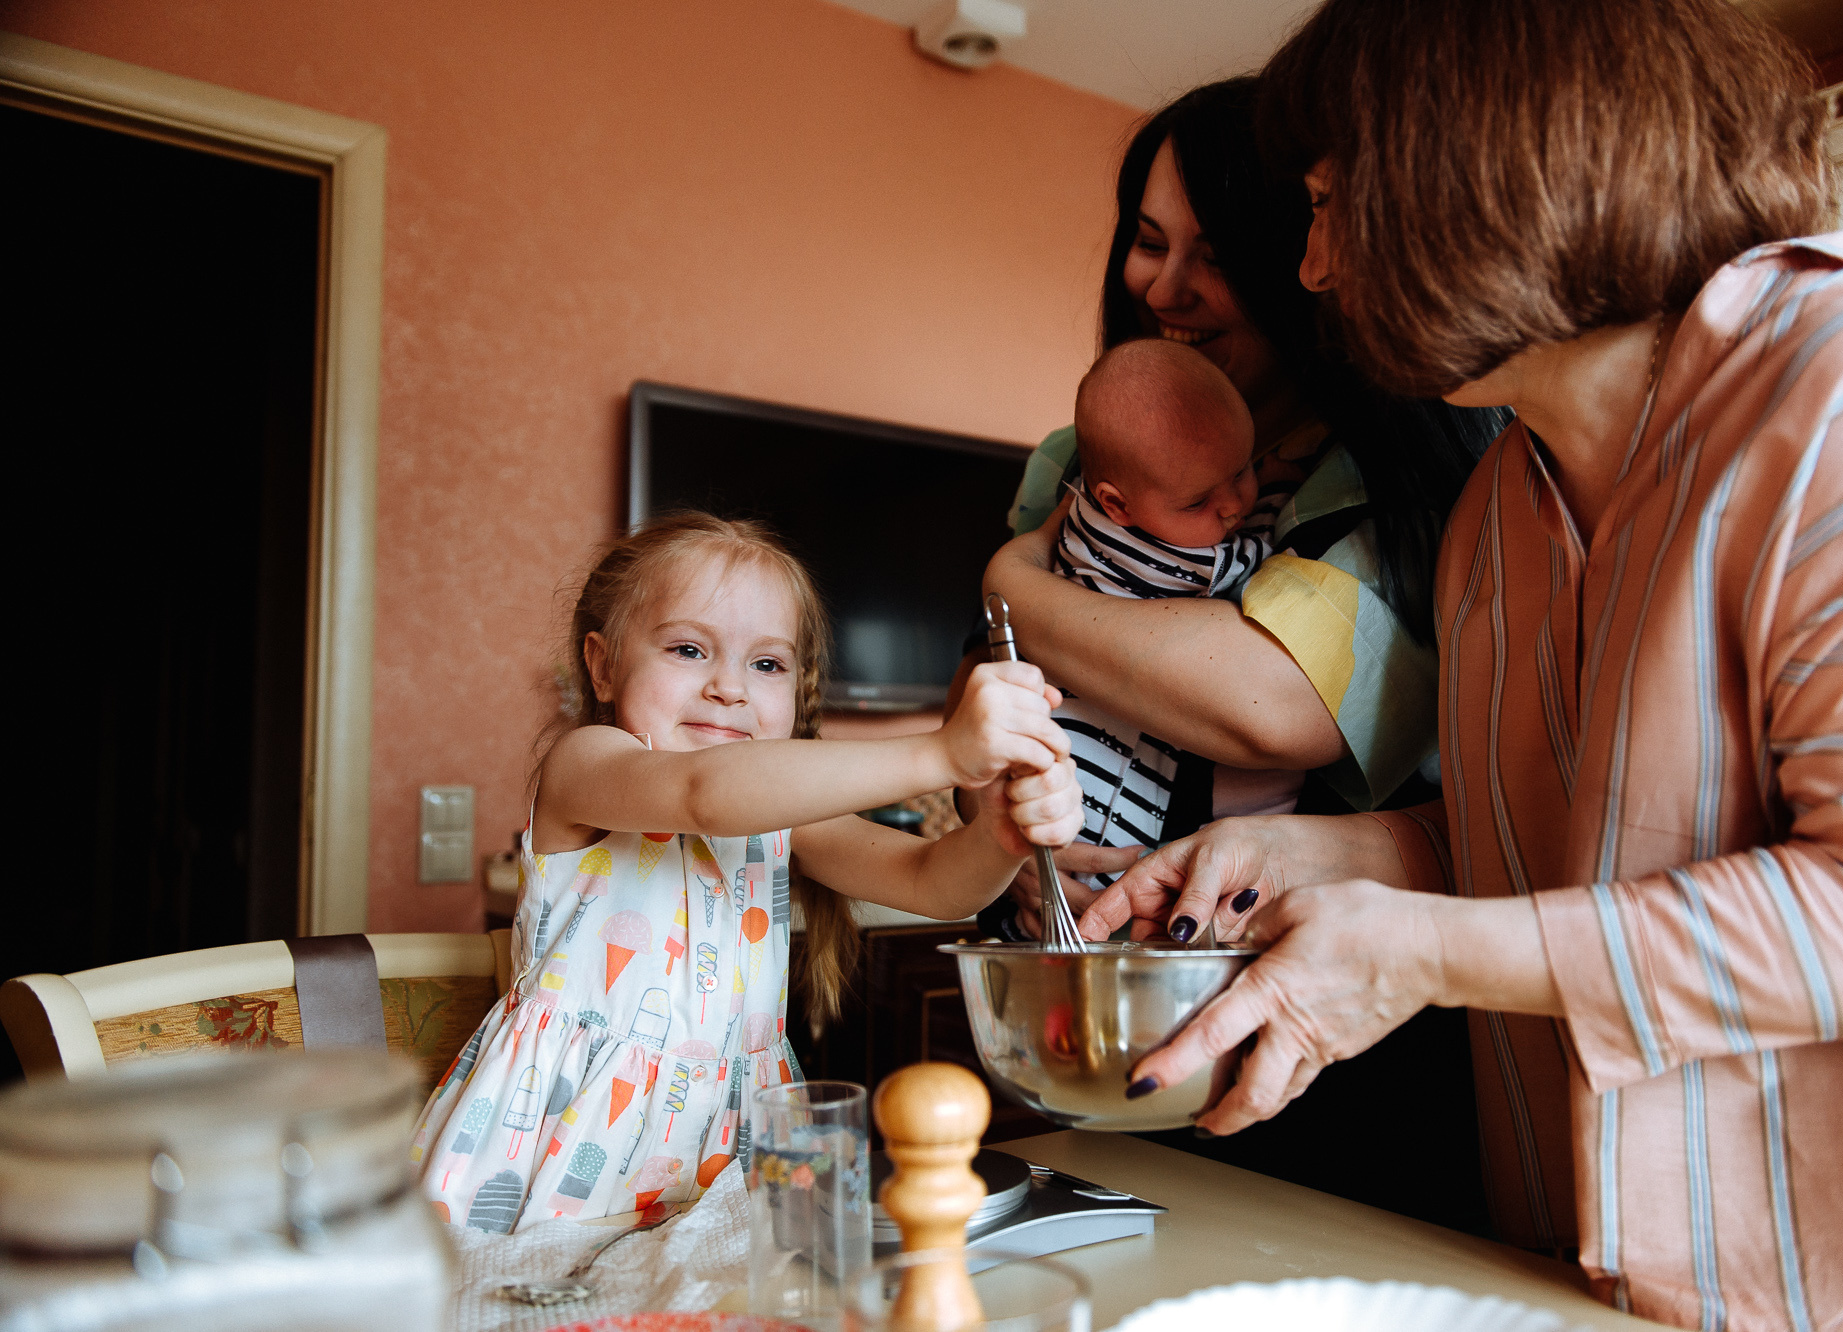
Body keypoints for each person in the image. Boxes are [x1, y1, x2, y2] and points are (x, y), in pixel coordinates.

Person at [1086, 1, 1843, 1327]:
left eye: (1335, 205)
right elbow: (1578, 847)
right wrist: (1338, 860)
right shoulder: (1496, 517)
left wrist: (1424, 955)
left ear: (1484, 165)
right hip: (1568, 1281)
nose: (1321, 270)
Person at [970, 76, 1508, 1234]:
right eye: (1146, 243)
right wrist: (998, 831)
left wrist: (1012, 576)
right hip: (1111, 1021)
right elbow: (1000, 700)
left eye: (1210, 251)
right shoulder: (1076, 453)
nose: (1162, 286)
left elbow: (1276, 702)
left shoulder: (1402, 474)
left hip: (1345, 1040)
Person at [413, 512, 1082, 1231]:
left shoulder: (780, 815)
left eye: (767, 664)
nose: (730, 688)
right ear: (603, 665)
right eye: (689, 649)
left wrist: (1003, 836)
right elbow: (705, 794)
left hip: (729, 1144)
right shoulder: (587, 765)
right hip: (555, 1154)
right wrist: (941, 753)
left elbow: (930, 881)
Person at [1053, 337, 1268, 882]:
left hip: (1091, 741)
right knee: (1096, 870)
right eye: (1198, 502)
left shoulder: (1082, 516)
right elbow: (1252, 568)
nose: (1234, 505)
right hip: (1095, 764)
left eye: (1243, 470)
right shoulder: (1164, 556)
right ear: (1116, 504)